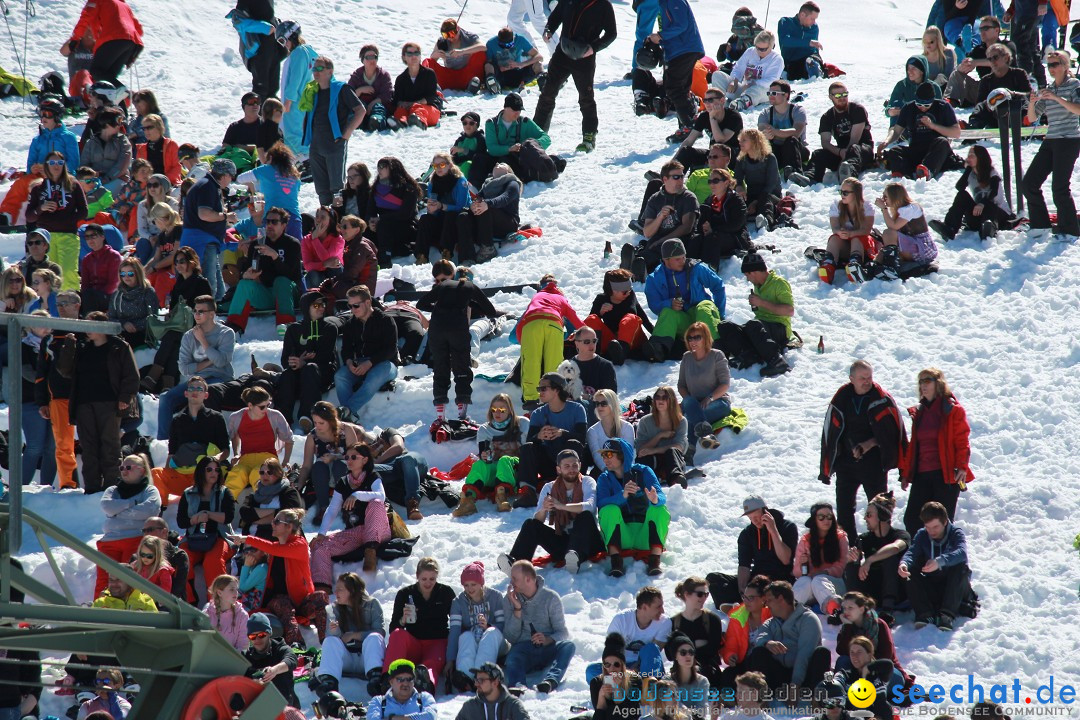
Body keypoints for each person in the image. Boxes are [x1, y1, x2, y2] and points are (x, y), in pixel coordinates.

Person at [819, 360, 906, 538]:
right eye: (862, 378)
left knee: (880, 510)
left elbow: (894, 434)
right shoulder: (841, 399)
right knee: (844, 512)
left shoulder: (882, 399)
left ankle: (880, 547)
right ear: (851, 379)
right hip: (846, 465)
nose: (867, 381)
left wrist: (870, 444)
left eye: (870, 377)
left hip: (874, 465)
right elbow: (829, 433)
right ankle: (850, 552)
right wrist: (826, 469)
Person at [229, 509, 330, 646]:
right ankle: (296, 645)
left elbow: (274, 549)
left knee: (321, 595)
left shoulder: (299, 544)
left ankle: (328, 642)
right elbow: (271, 549)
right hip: (277, 602)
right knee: (283, 602)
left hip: (300, 600)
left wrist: (247, 538)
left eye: (277, 522)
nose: (272, 524)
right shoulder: (274, 548)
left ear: (289, 527)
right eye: (273, 521)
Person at [498, 449, 604, 573]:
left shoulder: (587, 481)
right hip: (564, 541)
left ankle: (575, 557)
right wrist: (544, 508)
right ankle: (516, 563)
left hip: (588, 542)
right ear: (559, 469)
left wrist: (561, 506)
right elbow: (538, 520)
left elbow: (590, 506)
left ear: (580, 465)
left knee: (584, 516)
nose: (572, 469)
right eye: (567, 466)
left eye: (575, 465)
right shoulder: (549, 487)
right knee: (530, 524)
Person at [418, 260, 500, 420]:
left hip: (437, 329)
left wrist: (439, 308)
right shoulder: (470, 287)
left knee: (441, 368)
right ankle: (462, 413)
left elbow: (421, 303)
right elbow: (490, 311)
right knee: (461, 368)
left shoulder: (442, 286)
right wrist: (467, 304)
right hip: (457, 330)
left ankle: (440, 415)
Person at [532, 0, 617, 153]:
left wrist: (594, 48)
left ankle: (589, 137)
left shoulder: (603, 5)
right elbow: (555, 17)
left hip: (584, 57)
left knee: (586, 97)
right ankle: (537, 134)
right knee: (547, 93)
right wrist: (548, 30)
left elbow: (612, 34)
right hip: (562, 53)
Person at [70, 312, 139, 495]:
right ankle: (91, 488)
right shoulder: (82, 348)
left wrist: (125, 397)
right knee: (88, 447)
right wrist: (69, 347)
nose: (87, 329)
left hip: (110, 403)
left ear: (103, 327)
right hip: (84, 403)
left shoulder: (119, 346)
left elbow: (131, 375)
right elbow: (65, 371)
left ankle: (112, 486)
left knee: (110, 445)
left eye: (92, 325)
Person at [899, 368, 974, 534]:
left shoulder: (953, 410)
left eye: (927, 381)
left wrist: (962, 466)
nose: (923, 385)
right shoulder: (919, 412)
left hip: (945, 474)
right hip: (922, 473)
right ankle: (921, 557)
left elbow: (962, 441)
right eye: (920, 382)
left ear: (938, 383)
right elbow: (914, 445)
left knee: (942, 522)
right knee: (912, 519)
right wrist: (906, 473)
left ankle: (942, 559)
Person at [154, 294, 236, 440]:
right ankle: (164, 441)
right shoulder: (188, 336)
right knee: (166, 398)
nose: (196, 315)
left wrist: (203, 341)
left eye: (201, 312)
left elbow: (222, 362)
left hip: (219, 379)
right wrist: (210, 361)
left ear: (212, 314)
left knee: (205, 392)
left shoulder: (226, 333)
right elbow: (184, 368)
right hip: (197, 380)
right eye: (195, 311)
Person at [311, 442, 392, 580]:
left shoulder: (372, 476)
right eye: (347, 457)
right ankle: (323, 586)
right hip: (356, 530)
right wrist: (321, 533)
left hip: (378, 529)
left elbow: (381, 496)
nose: (349, 460)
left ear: (365, 460)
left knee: (376, 503)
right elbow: (332, 510)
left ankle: (370, 552)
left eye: (354, 457)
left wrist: (357, 495)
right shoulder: (343, 482)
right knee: (321, 546)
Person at [1023, 49, 1080, 243]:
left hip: (1069, 139)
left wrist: (1056, 99)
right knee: (1030, 182)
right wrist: (1032, 102)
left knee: (1060, 186)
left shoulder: (1074, 85)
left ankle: (1070, 228)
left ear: (1065, 66)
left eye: (1055, 64)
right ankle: (1040, 224)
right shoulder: (1048, 88)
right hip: (1052, 139)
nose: (1052, 69)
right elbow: (1031, 118)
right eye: (1049, 65)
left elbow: (1078, 109)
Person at [596, 438, 670, 577]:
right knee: (608, 510)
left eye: (609, 454)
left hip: (645, 534)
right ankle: (616, 562)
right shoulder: (604, 478)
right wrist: (622, 496)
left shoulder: (644, 471)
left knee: (659, 509)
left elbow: (661, 496)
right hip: (623, 536)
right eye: (603, 455)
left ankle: (654, 561)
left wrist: (655, 499)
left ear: (622, 455)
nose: (605, 459)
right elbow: (601, 503)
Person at [643, 239, 726, 363]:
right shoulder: (654, 278)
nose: (682, 261)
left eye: (683, 257)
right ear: (666, 260)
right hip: (682, 321)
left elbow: (718, 286)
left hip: (702, 316)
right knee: (667, 312)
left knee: (705, 306)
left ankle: (715, 347)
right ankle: (657, 349)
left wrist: (719, 314)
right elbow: (654, 304)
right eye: (677, 259)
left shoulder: (696, 268)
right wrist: (669, 303)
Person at [223, 206, 302, 333]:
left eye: (274, 222)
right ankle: (234, 326)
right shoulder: (257, 244)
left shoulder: (292, 244)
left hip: (288, 294)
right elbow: (245, 270)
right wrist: (246, 275)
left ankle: (286, 324)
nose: (269, 225)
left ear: (283, 225)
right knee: (244, 283)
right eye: (267, 221)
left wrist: (275, 256)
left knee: (281, 281)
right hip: (266, 293)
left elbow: (292, 275)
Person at [707, 496, 799, 605]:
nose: (754, 521)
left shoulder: (787, 527)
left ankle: (756, 604)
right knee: (713, 580)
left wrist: (773, 531)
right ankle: (746, 604)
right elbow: (744, 566)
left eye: (756, 516)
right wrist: (743, 591)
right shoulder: (747, 534)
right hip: (756, 580)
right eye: (750, 518)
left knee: (776, 590)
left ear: (765, 511)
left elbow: (785, 559)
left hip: (781, 579)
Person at [714, 253, 793, 377]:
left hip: (779, 329)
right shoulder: (757, 286)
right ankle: (748, 356)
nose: (747, 279)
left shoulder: (779, 283)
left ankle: (778, 361)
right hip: (760, 329)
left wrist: (761, 303)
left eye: (747, 275)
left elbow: (789, 310)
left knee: (753, 325)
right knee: (725, 326)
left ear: (753, 272)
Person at [514, 372, 588, 506]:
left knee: (574, 444)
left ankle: (571, 489)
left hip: (570, 463)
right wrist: (539, 436)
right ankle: (527, 492)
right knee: (527, 447)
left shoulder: (577, 409)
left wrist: (562, 433)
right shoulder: (538, 413)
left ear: (557, 389)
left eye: (543, 389)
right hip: (549, 462)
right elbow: (530, 440)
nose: (539, 393)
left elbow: (582, 439)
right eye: (539, 389)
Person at [503, 559, 575, 693]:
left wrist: (547, 639)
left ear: (528, 580)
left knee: (568, 646)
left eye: (514, 579)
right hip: (523, 650)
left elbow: (562, 632)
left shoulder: (551, 598)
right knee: (512, 656)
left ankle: (550, 681)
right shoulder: (509, 600)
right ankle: (517, 686)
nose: (511, 582)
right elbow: (510, 637)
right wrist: (517, 610)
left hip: (548, 648)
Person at [748, 581, 830, 699]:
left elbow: (804, 654)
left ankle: (817, 699)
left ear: (781, 598)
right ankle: (761, 697)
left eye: (769, 600)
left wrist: (795, 685)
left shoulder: (808, 619)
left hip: (803, 678)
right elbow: (761, 636)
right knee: (758, 652)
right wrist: (767, 643)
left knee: (822, 653)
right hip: (780, 677)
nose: (767, 605)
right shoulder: (771, 622)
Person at [94, 454, 160, 596]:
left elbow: (150, 510)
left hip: (136, 538)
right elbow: (107, 506)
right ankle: (100, 612)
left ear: (141, 471)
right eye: (122, 467)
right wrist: (132, 503)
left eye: (129, 467)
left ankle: (128, 614)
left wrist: (117, 512)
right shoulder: (113, 490)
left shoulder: (149, 490)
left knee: (129, 580)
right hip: (109, 541)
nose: (124, 471)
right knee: (104, 581)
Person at [34, 290, 81, 490]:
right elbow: (41, 373)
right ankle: (68, 485)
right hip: (59, 398)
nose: (61, 307)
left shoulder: (90, 332)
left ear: (77, 306)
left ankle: (99, 485)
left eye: (65, 303)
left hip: (87, 397)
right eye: (58, 304)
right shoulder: (50, 339)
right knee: (63, 445)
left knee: (95, 444)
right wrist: (42, 401)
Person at [384, 557, 456, 688]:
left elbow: (456, 623)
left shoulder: (445, 593)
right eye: (424, 579)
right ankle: (388, 678)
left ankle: (426, 682)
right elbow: (393, 628)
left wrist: (452, 657)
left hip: (437, 641)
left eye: (432, 579)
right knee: (397, 634)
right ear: (417, 576)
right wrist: (403, 620)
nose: (428, 583)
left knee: (431, 662)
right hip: (414, 643)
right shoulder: (405, 594)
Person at [304, 56, 366, 206]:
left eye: (320, 68)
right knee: (321, 190)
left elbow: (360, 110)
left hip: (335, 144)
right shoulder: (312, 91)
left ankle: (339, 222)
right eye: (314, 69)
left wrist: (346, 134)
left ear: (330, 71)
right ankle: (326, 221)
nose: (316, 72)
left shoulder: (341, 88)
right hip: (316, 146)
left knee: (337, 188)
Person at [899, 502, 971, 630]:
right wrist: (904, 564)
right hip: (933, 583)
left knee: (960, 567)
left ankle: (947, 615)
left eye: (935, 527)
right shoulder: (922, 534)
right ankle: (925, 613)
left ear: (944, 522)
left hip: (954, 587)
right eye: (928, 527)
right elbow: (912, 552)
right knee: (910, 571)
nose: (931, 531)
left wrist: (939, 561)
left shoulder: (955, 533)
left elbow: (962, 553)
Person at [313, 572, 386, 698]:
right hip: (347, 658)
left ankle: (376, 679)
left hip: (367, 659)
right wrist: (335, 631)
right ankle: (329, 683)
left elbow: (380, 632)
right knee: (329, 641)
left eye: (340, 590)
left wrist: (355, 635)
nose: (336, 593)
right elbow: (332, 640)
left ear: (352, 591)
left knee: (374, 637)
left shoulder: (372, 604)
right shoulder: (335, 608)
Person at [177, 456, 237, 605]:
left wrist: (209, 514)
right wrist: (195, 519)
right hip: (194, 538)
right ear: (201, 472)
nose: (214, 473)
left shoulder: (224, 492)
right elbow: (181, 521)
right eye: (209, 469)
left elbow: (228, 517)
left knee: (213, 562)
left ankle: (219, 604)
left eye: (217, 470)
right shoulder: (188, 493)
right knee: (181, 560)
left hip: (219, 537)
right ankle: (189, 601)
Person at [456, 395, 529, 516]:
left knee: (504, 460)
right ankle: (468, 500)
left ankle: (502, 496)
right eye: (494, 409)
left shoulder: (522, 423)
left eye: (502, 409)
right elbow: (484, 455)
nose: (497, 413)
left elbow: (530, 451)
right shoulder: (485, 430)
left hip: (517, 468)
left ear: (510, 410)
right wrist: (484, 456)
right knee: (479, 465)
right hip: (496, 470)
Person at [516, 275, 583, 410]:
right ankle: (552, 396)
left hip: (532, 324)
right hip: (554, 324)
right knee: (554, 362)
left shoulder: (537, 297)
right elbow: (575, 320)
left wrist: (523, 341)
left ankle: (530, 399)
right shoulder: (561, 298)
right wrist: (587, 332)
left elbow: (521, 322)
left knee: (530, 361)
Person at [25, 151, 87, 291]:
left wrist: (69, 220)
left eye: (60, 162)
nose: (56, 166)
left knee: (69, 271)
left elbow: (84, 211)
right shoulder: (38, 188)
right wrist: (41, 208)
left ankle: (71, 303)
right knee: (47, 274)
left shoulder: (74, 185)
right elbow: (29, 216)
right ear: (46, 165)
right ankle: (49, 304)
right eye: (52, 162)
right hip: (45, 237)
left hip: (68, 234)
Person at [276, 290, 338, 428]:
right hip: (299, 372)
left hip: (322, 373)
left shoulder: (329, 328)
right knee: (287, 374)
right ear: (306, 308)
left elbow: (326, 356)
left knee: (310, 369)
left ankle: (308, 416)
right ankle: (283, 417)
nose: (322, 308)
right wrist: (293, 362)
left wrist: (304, 362)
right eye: (316, 305)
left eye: (323, 304)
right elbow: (285, 359)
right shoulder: (293, 329)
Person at [335, 285, 399, 418]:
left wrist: (370, 362)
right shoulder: (350, 324)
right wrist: (348, 362)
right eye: (350, 306)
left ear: (368, 302)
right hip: (360, 363)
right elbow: (346, 349)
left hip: (385, 364)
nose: (352, 310)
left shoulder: (385, 320)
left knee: (373, 378)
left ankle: (346, 411)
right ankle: (349, 416)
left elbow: (391, 349)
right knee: (340, 376)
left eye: (356, 306)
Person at [844, 492, 909, 620]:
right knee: (850, 566)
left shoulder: (900, 534)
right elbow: (854, 564)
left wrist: (870, 560)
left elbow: (896, 547)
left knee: (890, 559)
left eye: (869, 515)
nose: (865, 518)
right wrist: (852, 558)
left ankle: (887, 610)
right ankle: (856, 606)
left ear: (882, 516)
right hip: (873, 590)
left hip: (895, 590)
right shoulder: (864, 539)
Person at [182, 158, 239, 301]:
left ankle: (217, 308)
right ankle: (207, 315)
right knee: (209, 283)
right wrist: (226, 216)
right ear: (225, 175)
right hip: (202, 241)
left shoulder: (207, 184)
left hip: (206, 240)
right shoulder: (208, 186)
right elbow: (204, 214)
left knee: (219, 289)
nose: (230, 181)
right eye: (230, 177)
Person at [878, 83, 961, 180]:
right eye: (919, 104)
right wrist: (886, 141)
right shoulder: (908, 108)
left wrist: (933, 126)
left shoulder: (943, 107)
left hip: (935, 150)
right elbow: (896, 131)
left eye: (926, 105)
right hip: (916, 149)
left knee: (942, 142)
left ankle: (926, 170)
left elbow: (956, 133)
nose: (922, 107)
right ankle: (902, 174)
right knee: (894, 151)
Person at [929, 144, 1013, 242]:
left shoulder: (992, 173)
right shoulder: (971, 174)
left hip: (998, 215)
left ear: (980, 158)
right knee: (962, 195)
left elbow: (993, 193)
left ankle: (989, 231)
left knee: (989, 206)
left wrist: (982, 203)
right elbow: (959, 187)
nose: (968, 158)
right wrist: (968, 169)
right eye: (968, 155)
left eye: (972, 155)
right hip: (979, 215)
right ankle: (950, 228)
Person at [631, 161, 700, 276]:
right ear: (665, 179)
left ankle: (639, 265)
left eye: (682, 176)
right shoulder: (655, 199)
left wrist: (662, 240)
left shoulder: (689, 198)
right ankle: (636, 265)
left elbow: (686, 228)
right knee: (651, 249)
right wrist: (660, 217)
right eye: (676, 177)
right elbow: (647, 232)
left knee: (664, 251)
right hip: (658, 240)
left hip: (682, 241)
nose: (680, 180)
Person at [445, 561, 506, 690]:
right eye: (466, 585)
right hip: (473, 642)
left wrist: (487, 625)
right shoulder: (458, 602)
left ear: (481, 583)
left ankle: (482, 676)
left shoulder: (495, 597)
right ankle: (465, 676)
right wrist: (450, 659)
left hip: (495, 643)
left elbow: (503, 625)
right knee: (466, 635)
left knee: (491, 633)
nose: (470, 589)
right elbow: (455, 631)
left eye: (474, 584)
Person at [648, 0, 705, 137]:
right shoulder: (664, 3)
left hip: (684, 49)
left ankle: (689, 127)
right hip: (680, 50)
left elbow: (681, 25)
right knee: (680, 89)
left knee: (674, 88)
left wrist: (660, 36)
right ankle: (690, 126)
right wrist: (657, 39)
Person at [223, 386, 294, 498]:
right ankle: (226, 505)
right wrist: (236, 454)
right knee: (236, 474)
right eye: (262, 407)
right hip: (245, 459)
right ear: (250, 405)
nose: (266, 409)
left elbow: (289, 439)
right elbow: (234, 436)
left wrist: (286, 461)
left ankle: (261, 503)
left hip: (268, 459)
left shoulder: (275, 415)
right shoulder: (236, 417)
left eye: (268, 405)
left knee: (258, 473)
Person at [835, 592, 912, 689]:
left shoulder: (878, 624)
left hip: (880, 668)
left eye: (850, 608)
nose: (846, 612)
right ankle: (842, 690)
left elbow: (886, 656)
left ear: (861, 609)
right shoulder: (847, 626)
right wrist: (847, 626)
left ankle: (871, 692)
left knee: (894, 677)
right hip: (855, 669)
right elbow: (842, 651)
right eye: (844, 608)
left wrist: (868, 666)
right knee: (843, 661)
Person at [677, 322, 731, 453]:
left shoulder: (717, 355)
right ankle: (705, 433)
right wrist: (690, 401)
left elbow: (725, 384)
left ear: (706, 337)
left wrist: (710, 398)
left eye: (697, 337)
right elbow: (681, 385)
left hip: (717, 401)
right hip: (693, 402)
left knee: (691, 417)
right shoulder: (687, 357)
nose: (693, 341)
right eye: (690, 338)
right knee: (690, 404)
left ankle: (689, 452)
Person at [66, 0, 143, 88]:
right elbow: (138, 29)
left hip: (114, 38)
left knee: (96, 72)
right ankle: (120, 98)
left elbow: (86, 18)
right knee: (107, 78)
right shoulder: (124, 5)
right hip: (133, 43)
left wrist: (75, 39)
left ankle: (124, 92)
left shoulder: (96, 1)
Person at [809, 83, 875, 185]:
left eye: (845, 94)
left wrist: (844, 156)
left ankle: (849, 175)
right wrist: (839, 152)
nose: (842, 98)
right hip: (842, 151)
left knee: (854, 148)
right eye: (838, 96)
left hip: (862, 150)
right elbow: (825, 142)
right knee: (818, 154)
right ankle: (810, 178)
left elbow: (854, 139)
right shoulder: (827, 117)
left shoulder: (857, 110)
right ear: (830, 97)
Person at [237, 141, 304, 240]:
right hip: (294, 218)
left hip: (271, 219)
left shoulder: (265, 169)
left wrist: (253, 185)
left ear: (271, 158)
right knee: (296, 250)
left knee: (264, 247)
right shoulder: (295, 175)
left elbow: (240, 178)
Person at [584, 268, 653, 364]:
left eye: (630, 289)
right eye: (625, 291)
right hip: (612, 342)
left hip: (632, 340)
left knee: (630, 318)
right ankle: (595, 353)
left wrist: (655, 337)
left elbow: (642, 317)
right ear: (612, 290)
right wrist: (600, 313)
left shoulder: (630, 297)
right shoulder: (601, 299)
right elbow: (590, 325)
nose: (628, 293)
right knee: (592, 318)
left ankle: (621, 354)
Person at [872, 182, 939, 280]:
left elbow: (893, 227)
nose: (883, 199)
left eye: (885, 196)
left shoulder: (911, 208)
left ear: (894, 196)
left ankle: (891, 268)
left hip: (922, 248)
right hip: (913, 245)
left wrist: (884, 209)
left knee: (888, 233)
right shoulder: (901, 210)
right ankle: (873, 268)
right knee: (884, 248)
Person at [457, 163, 522, 265]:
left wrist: (487, 203)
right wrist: (472, 206)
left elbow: (504, 198)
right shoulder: (487, 185)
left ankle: (488, 248)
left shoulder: (513, 183)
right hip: (487, 223)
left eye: (501, 164)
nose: (496, 163)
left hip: (508, 223)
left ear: (508, 171)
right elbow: (477, 199)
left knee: (485, 207)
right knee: (463, 215)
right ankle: (466, 257)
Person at [792, 501, 848, 617]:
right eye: (821, 517)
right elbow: (797, 573)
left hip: (833, 585)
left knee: (818, 580)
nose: (826, 520)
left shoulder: (840, 538)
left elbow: (841, 567)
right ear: (814, 520)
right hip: (812, 586)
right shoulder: (805, 540)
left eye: (829, 517)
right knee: (804, 581)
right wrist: (802, 564)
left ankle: (835, 611)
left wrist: (823, 573)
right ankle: (787, 612)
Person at [481, 92, 553, 182]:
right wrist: (509, 149)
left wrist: (529, 146)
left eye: (519, 110)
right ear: (505, 108)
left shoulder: (525, 122)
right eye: (514, 110)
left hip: (518, 161)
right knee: (480, 158)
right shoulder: (491, 123)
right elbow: (492, 148)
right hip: (497, 161)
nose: (517, 113)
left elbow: (546, 138)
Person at [818, 178, 878, 284]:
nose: (842, 195)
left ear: (856, 194)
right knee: (834, 238)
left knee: (856, 238)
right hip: (845, 244)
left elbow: (866, 230)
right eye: (841, 192)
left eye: (845, 192)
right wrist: (840, 232)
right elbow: (834, 228)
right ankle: (828, 266)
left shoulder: (867, 207)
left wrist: (851, 234)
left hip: (862, 246)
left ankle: (855, 266)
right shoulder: (837, 206)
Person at [945, 16, 1014, 107]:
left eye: (986, 29)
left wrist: (976, 62)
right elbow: (968, 64)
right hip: (983, 90)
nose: (982, 32)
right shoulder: (979, 50)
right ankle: (950, 101)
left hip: (1004, 90)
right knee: (956, 74)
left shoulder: (1007, 45)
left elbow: (1000, 63)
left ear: (997, 30)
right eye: (980, 29)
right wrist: (964, 66)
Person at [416, 153, 471, 264]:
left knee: (450, 215)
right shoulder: (433, 182)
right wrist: (431, 209)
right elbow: (433, 206)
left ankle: (447, 252)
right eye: (435, 166)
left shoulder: (460, 181)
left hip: (457, 222)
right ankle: (421, 256)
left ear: (449, 165)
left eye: (441, 165)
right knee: (425, 219)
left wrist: (442, 206)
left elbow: (462, 206)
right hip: (441, 221)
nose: (438, 168)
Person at [368, 157, 422, 267]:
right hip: (383, 225)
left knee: (384, 225)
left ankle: (385, 259)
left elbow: (406, 214)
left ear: (393, 169)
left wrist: (381, 219)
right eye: (378, 166)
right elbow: (370, 209)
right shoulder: (376, 188)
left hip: (405, 225)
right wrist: (371, 221)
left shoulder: (408, 188)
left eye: (383, 166)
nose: (379, 169)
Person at [673, 88, 743, 169]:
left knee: (720, 150)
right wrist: (673, 161)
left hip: (732, 157)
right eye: (705, 100)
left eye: (710, 100)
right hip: (713, 155)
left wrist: (712, 118)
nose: (707, 103)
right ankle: (672, 176)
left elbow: (720, 140)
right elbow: (689, 140)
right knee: (686, 151)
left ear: (722, 100)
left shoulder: (733, 116)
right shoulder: (704, 116)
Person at [242, 612, 300, 709]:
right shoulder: (246, 657)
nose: (257, 640)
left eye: (261, 635)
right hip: (259, 710)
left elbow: (291, 660)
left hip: (286, 707)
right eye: (252, 637)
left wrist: (275, 670)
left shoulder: (280, 647)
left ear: (269, 633)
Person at [606, 586, 671, 672]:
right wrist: (625, 672)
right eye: (658, 607)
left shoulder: (664, 623)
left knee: (651, 648)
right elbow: (611, 653)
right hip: (621, 667)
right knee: (591, 670)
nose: (662, 611)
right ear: (644, 607)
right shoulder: (621, 620)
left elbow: (654, 655)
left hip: (647, 666)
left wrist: (635, 670)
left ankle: (647, 683)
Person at [715, 31, 784, 112]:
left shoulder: (776, 59)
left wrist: (753, 84)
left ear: (771, 47)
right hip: (744, 89)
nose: (758, 51)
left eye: (763, 49)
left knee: (757, 90)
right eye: (757, 47)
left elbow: (771, 81)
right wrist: (734, 81)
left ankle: (739, 104)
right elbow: (738, 68)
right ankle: (716, 101)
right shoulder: (750, 51)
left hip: (763, 92)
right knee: (717, 75)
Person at [278, 21, 319, 154]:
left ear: (290, 35)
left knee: (292, 134)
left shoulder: (298, 53)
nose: (284, 45)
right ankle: (306, 159)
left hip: (295, 102)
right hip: (306, 101)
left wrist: (288, 101)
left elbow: (295, 79)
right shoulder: (310, 51)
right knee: (302, 133)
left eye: (282, 40)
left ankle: (303, 161)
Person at [758, 80, 810, 177]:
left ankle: (796, 174)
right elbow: (762, 130)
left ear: (786, 95)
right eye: (769, 93)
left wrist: (774, 132)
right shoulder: (765, 113)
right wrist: (766, 134)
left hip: (797, 151)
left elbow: (796, 132)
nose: (770, 96)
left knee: (791, 140)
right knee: (764, 143)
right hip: (777, 151)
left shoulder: (798, 110)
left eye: (774, 93)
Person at [733, 129, 782, 230]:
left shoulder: (769, 158)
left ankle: (767, 221)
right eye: (740, 140)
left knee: (765, 200)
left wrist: (756, 202)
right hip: (752, 194)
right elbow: (737, 178)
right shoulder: (742, 159)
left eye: (744, 140)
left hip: (770, 195)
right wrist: (739, 187)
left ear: (755, 141)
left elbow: (771, 185)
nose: (740, 143)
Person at [107, 258, 158, 348]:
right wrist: (124, 324)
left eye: (130, 274)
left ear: (137, 273)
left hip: (142, 333)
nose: (126, 277)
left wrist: (135, 326)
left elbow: (153, 317)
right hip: (121, 331)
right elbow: (111, 317)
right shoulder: (117, 294)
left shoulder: (148, 291)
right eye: (123, 274)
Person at [426, 18, 488, 92]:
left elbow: (483, 47)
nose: (450, 38)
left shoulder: (469, 37)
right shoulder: (442, 42)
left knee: (480, 54)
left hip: (467, 75)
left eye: (452, 34)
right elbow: (432, 60)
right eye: (446, 35)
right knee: (427, 62)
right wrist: (437, 55)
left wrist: (462, 52)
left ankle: (475, 84)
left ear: (458, 29)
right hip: (449, 76)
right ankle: (431, 85)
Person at [82, 108, 132, 193]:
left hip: (116, 179)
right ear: (107, 124)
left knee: (102, 193)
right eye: (118, 122)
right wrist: (91, 178)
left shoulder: (122, 141)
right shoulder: (91, 142)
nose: (120, 125)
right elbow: (84, 164)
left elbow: (122, 164)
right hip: (95, 180)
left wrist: (107, 178)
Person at [457, 662, 531, 720]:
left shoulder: (513, 705)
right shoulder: (470, 706)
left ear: (495, 683)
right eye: (476, 680)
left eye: (481, 680)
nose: (476, 684)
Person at [369, 659, 438, 720]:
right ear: (391, 682)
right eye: (400, 679)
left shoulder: (424, 698)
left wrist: (393, 718)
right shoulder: (379, 701)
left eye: (409, 679)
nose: (405, 683)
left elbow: (430, 716)